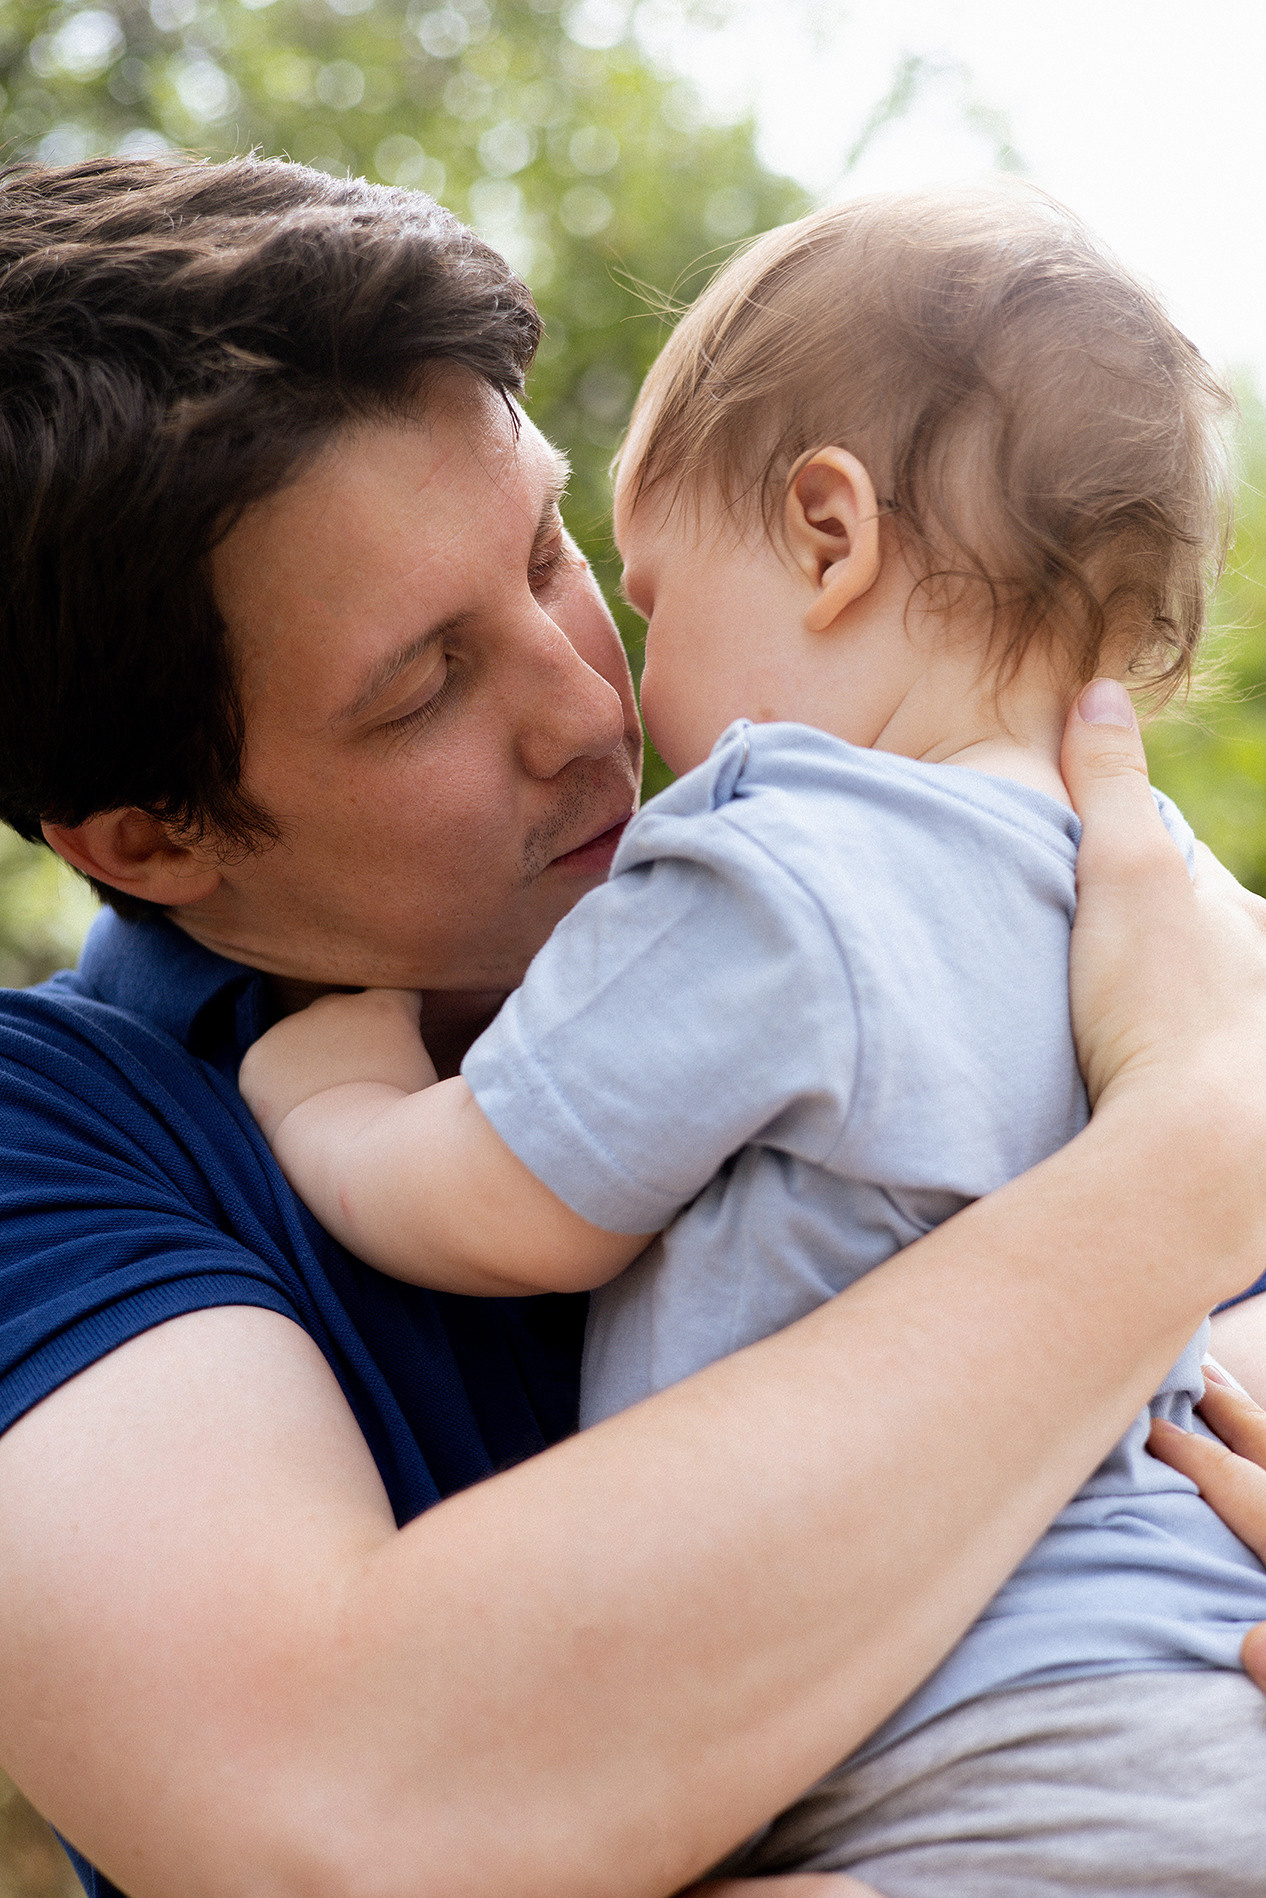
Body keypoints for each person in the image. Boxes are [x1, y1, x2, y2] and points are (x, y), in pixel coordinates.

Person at [0, 156, 1263, 1898]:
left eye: (546, 547)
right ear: (151, 836)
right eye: (425, 682)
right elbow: (338, 1814)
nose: (591, 702)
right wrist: (1187, 1162)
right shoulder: (57, 1144)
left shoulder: (1007, 902)